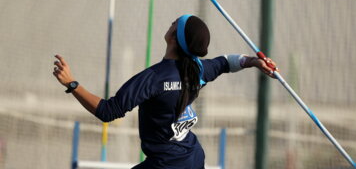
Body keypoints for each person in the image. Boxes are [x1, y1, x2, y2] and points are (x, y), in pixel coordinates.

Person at [53, 14, 278, 169]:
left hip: (165, 165)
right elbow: (225, 63)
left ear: (173, 37)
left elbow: (108, 111)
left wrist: (72, 84)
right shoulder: (197, 70)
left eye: (174, 23)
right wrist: (252, 62)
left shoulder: (154, 78)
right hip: (193, 159)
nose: (170, 23)